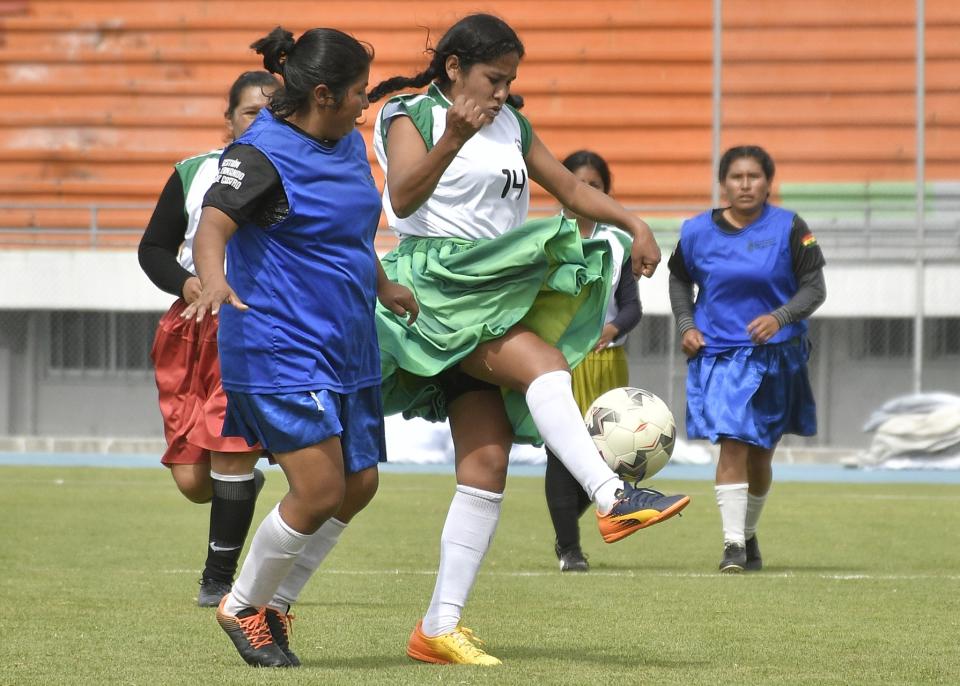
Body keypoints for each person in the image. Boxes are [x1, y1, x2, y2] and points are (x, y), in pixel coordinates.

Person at [368, 13, 689, 665]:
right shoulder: (409, 117)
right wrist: (454, 137)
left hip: (499, 285)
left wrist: (634, 223)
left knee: (485, 469)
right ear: (453, 67)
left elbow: (568, 188)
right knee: (542, 363)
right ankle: (612, 496)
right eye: (493, 78)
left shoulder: (511, 121)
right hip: (441, 286)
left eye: (510, 79)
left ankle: (437, 629)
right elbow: (401, 199)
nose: (502, 92)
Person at [181, 26, 418, 668]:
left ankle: (276, 603)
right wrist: (215, 277)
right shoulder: (262, 153)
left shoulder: (345, 144)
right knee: (317, 489)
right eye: (358, 94)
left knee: (358, 484)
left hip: (347, 341)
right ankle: (241, 605)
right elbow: (213, 225)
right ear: (322, 93)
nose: (365, 105)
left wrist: (384, 281)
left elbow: (343, 235)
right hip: (277, 342)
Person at [137, 70, 277, 607]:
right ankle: (237, 493)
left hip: (255, 330)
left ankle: (218, 578)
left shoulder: (296, 172)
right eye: (249, 113)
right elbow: (153, 249)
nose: (260, 123)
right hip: (192, 332)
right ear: (229, 121)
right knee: (193, 481)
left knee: (231, 456)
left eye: (271, 113)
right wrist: (188, 281)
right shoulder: (195, 173)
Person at [667, 145, 826, 573]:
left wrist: (780, 317)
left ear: (768, 183)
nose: (745, 184)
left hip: (778, 356)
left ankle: (749, 532)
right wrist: (686, 324)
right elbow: (679, 280)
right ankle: (733, 546)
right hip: (720, 354)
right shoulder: (697, 232)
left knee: (761, 457)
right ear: (723, 183)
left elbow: (814, 289)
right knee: (733, 443)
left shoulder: (790, 227)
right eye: (736, 177)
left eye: (754, 176)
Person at [545, 150, 642, 573]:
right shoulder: (543, 238)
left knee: (611, 456)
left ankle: (570, 522)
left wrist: (613, 329)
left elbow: (631, 307)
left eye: (594, 186)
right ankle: (570, 548)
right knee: (560, 455)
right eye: (576, 183)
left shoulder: (619, 242)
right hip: (558, 364)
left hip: (607, 364)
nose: (584, 191)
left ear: (607, 192)